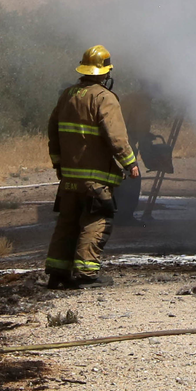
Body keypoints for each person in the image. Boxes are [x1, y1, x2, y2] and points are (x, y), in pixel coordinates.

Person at [44, 45, 142, 289]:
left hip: (69, 178)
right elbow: (116, 136)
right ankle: (86, 274)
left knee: (67, 223)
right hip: (95, 179)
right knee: (96, 221)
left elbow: (53, 132)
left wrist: (59, 164)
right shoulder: (104, 98)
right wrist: (130, 163)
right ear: (105, 72)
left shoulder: (67, 95)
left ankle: (57, 273)